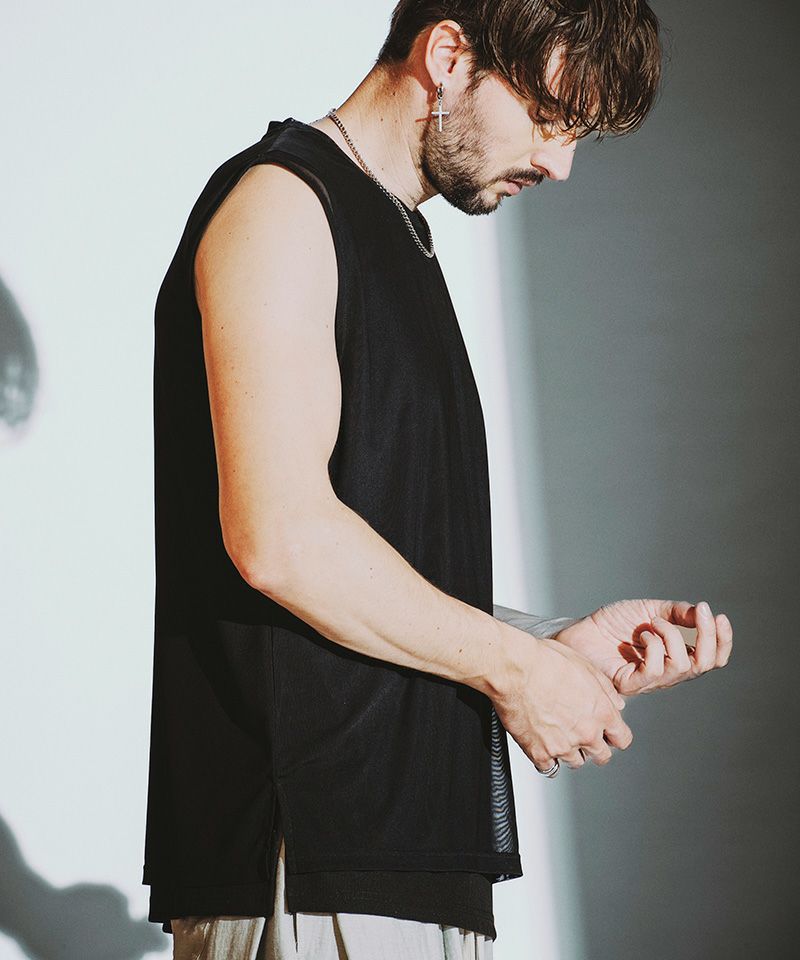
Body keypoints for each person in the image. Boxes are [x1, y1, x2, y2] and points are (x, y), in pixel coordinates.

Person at [142, 2, 734, 957]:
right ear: (449, 54)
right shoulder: (284, 206)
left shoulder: (398, 235)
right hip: (311, 860)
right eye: (549, 117)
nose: (560, 164)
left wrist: (548, 644)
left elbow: (364, 561)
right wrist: (517, 673)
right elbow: (280, 540)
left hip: (404, 869)